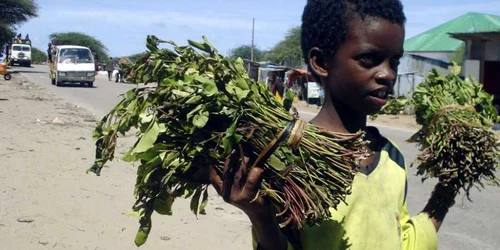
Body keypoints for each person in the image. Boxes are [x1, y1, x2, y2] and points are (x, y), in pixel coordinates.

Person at [209, 1, 457, 250]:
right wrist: (260, 216)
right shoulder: (289, 159)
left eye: (394, 61)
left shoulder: (393, 158)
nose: (388, 74)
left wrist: (448, 189)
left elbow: (401, 239)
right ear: (321, 63)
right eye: (370, 59)